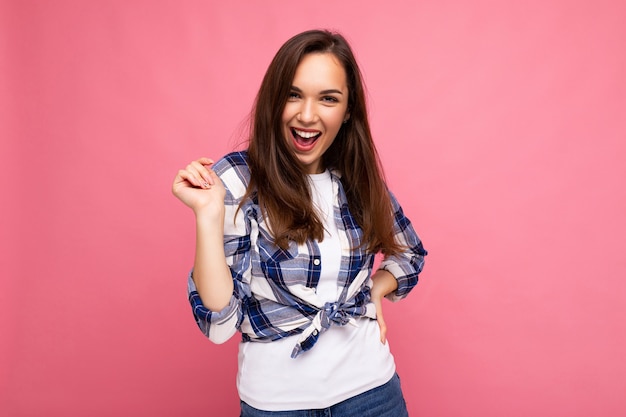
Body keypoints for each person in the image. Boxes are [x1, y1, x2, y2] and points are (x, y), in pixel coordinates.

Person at [172, 29, 427, 416]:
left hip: (372, 395)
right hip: (276, 405)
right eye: (294, 94)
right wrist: (208, 216)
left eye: (328, 99)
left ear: (347, 112)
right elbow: (220, 324)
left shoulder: (356, 181)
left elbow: (410, 255)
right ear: (274, 101)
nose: (307, 115)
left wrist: (373, 292)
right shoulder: (238, 180)